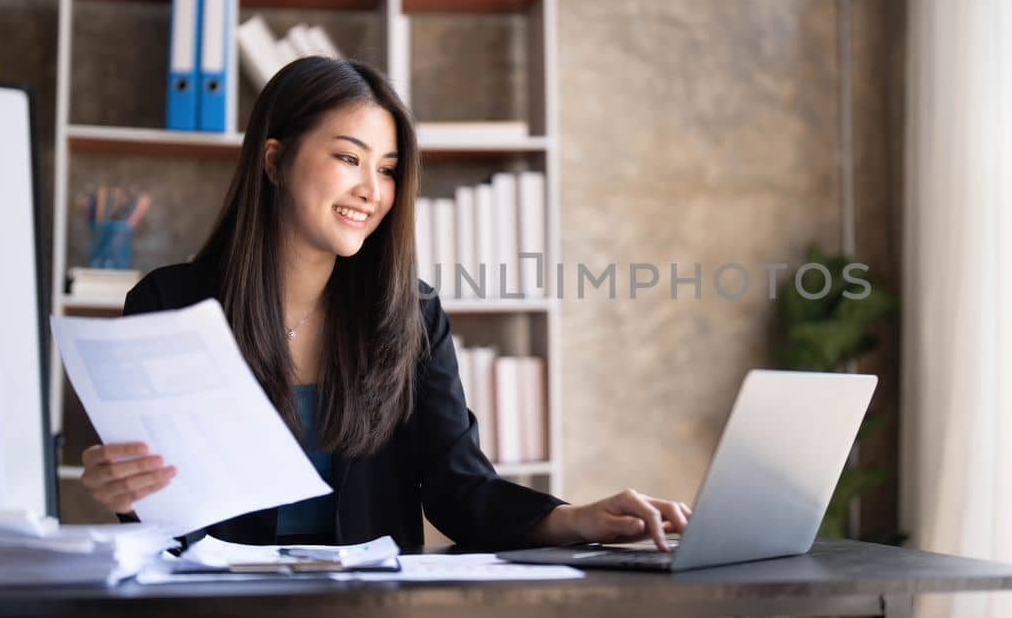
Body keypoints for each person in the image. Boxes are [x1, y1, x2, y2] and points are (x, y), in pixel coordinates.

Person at [79, 56, 689, 551]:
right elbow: (159, 511)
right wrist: (124, 492)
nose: (371, 191)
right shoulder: (170, 304)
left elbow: (459, 489)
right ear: (274, 160)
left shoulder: (410, 316)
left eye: (389, 169)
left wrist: (579, 519)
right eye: (348, 158)